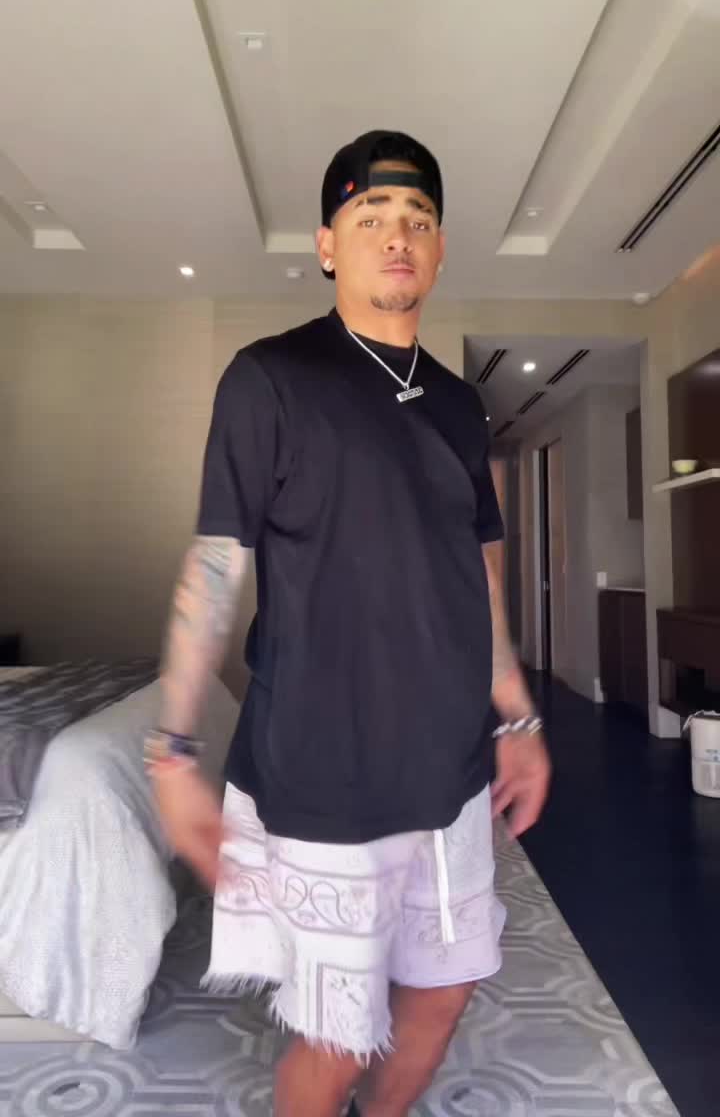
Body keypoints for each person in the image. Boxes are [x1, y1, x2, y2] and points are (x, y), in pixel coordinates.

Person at [147, 130, 551, 1117]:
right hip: (326, 769)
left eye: (418, 218)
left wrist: (517, 714)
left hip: (452, 768)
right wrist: (171, 749)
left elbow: (480, 572)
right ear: (329, 244)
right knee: (336, 1035)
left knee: (446, 988)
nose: (397, 235)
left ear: (440, 249)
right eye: (372, 216)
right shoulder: (270, 377)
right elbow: (217, 561)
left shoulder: (460, 405)